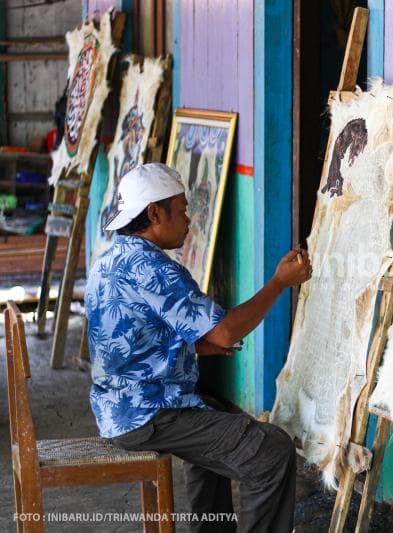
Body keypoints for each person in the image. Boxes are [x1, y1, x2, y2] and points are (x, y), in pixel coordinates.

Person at [85, 163, 311, 532]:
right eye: (182, 210)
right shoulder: (155, 269)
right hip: (145, 414)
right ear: (154, 214)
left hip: (117, 406)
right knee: (270, 450)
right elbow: (226, 332)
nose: (189, 220)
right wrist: (279, 283)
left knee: (213, 413)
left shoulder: (110, 259)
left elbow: (133, 341)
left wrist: (194, 349)